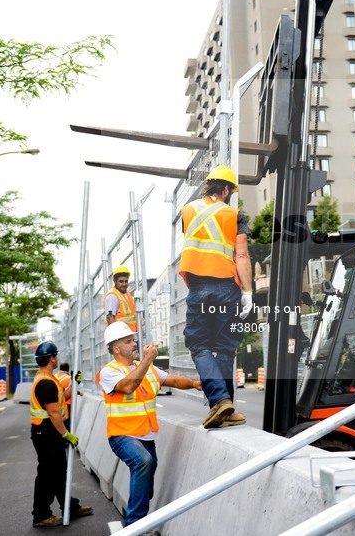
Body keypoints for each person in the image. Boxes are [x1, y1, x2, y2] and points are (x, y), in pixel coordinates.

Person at [97, 321, 202, 528]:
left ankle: (141, 516)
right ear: (116, 348)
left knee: (147, 478)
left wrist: (196, 383)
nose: (134, 344)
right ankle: (135, 527)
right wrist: (147, 359)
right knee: (143, 462)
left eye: (133, 340)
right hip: (122, 435)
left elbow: (171, 380)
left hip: (146, 435)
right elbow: (129, 385)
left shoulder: (146, 368)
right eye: (128, 341)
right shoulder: (108, 372)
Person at [178, 164, 253, 429]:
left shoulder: (187, 211)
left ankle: (222, 405)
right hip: (226, 288)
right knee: (224, 348)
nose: (231, 195)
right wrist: (248, 292)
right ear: (225, 189)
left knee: (199, 346)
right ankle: (225, 404)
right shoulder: (235, 215)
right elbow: (241, 255)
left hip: (198, 288)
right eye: (231, 191)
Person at [30, 341, 92, 528]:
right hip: (46, 433)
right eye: (55, 355)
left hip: (49, 432)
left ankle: (69, 507)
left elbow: (63, 397)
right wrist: (66, 435)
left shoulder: (49, 379)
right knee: (48, 475)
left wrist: (75, 382)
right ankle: (41, 515)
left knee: (59, 473)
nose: (57, 358)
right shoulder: (46, 383)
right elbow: (54, 413)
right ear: (51, 358)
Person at [104, 265, 138, 332]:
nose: (124, 284)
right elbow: (110, 317)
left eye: (126, 281)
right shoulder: (112, 296)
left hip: (131, 335)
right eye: (121, 281)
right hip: (122, 338)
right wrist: (117, 337)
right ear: (115, 281)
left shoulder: (127, 294)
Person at [54, 362, 79, 433]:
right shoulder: (69, 378)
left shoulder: (54, 376)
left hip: (54, 403)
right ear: (68, 369)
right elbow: (72, 391)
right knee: (66, 424)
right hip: (66, 404)